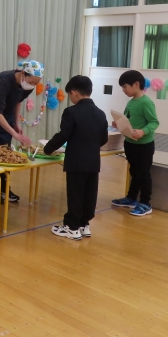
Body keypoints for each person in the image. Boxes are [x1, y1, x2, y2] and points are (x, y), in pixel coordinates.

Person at [44, 76, 108, 240]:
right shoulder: (100, 113)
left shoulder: (71, 112)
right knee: (89, 194)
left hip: (76, 161)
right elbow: (104, 139)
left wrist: (48, 148)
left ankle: (72, 227)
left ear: (74, 93)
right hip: (93, 161)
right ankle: (84, 225)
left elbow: (63, 135)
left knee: (75, 194)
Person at [0, 60, 44, 204]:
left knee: (6, 155)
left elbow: (18, 101)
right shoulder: (2, 81)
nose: (32, 85)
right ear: (23, 73)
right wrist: (14, 133)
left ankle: (5, 189)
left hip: (6, 117)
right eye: (31, 82)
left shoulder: (28, 85)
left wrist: (16, 123)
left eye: (35, 83)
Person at [110, 70, 159, 217]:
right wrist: (119, 124)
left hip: (144, 146)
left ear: (136, 84)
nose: (123, 90)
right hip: (130, 143)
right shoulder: (131, 102)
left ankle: (145, 203)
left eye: (125, 86)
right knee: (134, 172)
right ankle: (131, 198)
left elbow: (154, 122)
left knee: (143, 174)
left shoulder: (146, 102)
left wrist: (143, 131)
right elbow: (129, 120)